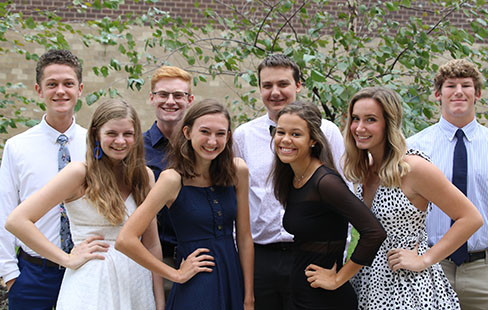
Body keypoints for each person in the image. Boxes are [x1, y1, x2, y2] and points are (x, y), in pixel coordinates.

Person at [5, 99, 164, 309]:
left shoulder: (144, 176)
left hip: (135, 285)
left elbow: (151, 244)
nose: (120, 141)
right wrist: (66, 259)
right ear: (96, 134)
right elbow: (16, 221)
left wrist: (159, 301)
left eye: (127, 134)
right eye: (111, 134)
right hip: (91, 286)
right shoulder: (79, 173)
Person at [334, 86, 483, 309]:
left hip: (409, 287)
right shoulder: (367, 169)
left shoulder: (412, 167)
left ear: (389, 123)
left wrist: (425, 259)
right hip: (369, 282)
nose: (359, 127)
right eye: (355, 119)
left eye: (371, 119)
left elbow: (471, 218)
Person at [233, 53, 347, 310]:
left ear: (298, 85)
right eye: (267, 85)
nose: (275, 92)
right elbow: (237, 198)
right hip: (262, 258)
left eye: (283, 84)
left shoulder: (326, 131)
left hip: (314, 256)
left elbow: (345, 193)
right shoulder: (243, 136)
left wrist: (338, 256)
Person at [116, 99, 254, 309]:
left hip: (231, 277)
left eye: (220, 133)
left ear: (228, 136)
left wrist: (248, 296)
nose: (212, 141)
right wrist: (175, 274)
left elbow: (244, 237)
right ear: (188, 132)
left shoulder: (238, 171)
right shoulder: (172, 179)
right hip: (195, 284)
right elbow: (125, 239)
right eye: (205, 132)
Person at [270, 101, 386, 309]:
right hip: (300, 291)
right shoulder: (293, 177)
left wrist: (339, 278)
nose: (285, 140)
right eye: (280, 132)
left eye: (296, 134)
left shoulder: (326, 182)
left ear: (313, 140)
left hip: (324, 299)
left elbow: (374, 232)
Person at [406, 59, 488, 310]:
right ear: (438, 94)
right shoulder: (413, 147)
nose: (458, 91)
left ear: (477, 93)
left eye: (466, 85)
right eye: (450, 86)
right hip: (429, 264)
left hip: (484, 270)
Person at [0, 49, 89, 309]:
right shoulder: (17, 147)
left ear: (80, 89)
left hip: (85, 269)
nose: (60, 91)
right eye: (52, 84)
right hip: (33, 274)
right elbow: (5, 210)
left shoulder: (94, 143)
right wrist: (10, 276)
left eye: (68, 84)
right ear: (39, 90)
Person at [143, 66, 195, 263]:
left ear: (189, 100)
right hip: (149, 256)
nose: (170, 101)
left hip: (194, 256)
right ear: (152, 98)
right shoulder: (135, 149)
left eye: (178, 95)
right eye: (163, 94)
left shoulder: (202, 148)